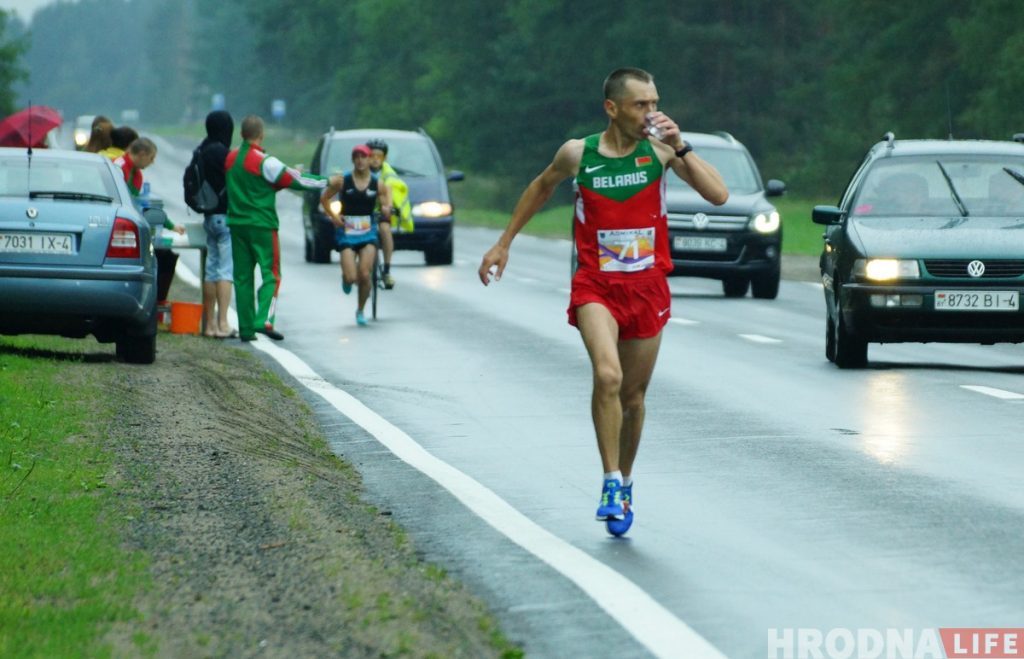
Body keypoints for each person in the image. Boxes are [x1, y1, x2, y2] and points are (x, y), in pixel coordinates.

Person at [478, 67, 728, 528]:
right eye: (641, 105)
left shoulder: (660, 150)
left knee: (633, 397)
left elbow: (718, 194)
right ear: (612, 108)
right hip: (596, 284)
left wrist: (681, 145)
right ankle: (609, 479)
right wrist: (504, 242)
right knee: (607, 375)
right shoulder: (579, 154)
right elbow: (541, 187)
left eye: (655, 103)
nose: (651, 113)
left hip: (647, 285)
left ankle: (627, 483)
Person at [226, 115, 344, 342]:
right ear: (262, 134)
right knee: (271, 274)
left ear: (241, 134)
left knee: (242, 277)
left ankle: (247, 328)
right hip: (262, 224)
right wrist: (328, 182)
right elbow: (297, 180)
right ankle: (264, 320)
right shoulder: (264, 161)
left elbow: (256, 187)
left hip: (237, 224)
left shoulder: (230, 159)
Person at [320, 144, 392, 326]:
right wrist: (334, 217)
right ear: (353, 160)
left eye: (364, 157)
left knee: (365, 275)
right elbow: (324, 198)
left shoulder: (378, 183)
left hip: (368, 232)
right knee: (352, 277)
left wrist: (386, 209)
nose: (360, 160)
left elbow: (386, 202)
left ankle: (360, 310)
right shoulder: (343, 181)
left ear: (369, 160)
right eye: (357, 157)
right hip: (347, 232)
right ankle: (346, 278)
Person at [114, 137, 185, 303]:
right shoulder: (119, 168)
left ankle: (156, 303)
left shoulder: (136, 174)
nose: (152, 162)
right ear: (142, 153)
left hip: (130, 226)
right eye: (151, 158)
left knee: (165, 257)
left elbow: (141, 205)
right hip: (119, 228)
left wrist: (170, 225)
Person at [194, 110, 236, 338]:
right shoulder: (222, 152)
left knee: (210, 271)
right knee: (225, 271)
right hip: (224, 217)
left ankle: (208, 325)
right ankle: (223, 323)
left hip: (208, 217)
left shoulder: (201, 149)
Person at [367, 138, 412, 289]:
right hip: (362, 211)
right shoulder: (360, 170)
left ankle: (386, 270)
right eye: (371, 156)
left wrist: (388, 207)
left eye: (378, 157)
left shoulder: (388, 174)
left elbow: (389, 193)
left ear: (384, 158)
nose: (374, 160)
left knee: (385, 230)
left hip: (380, 210)